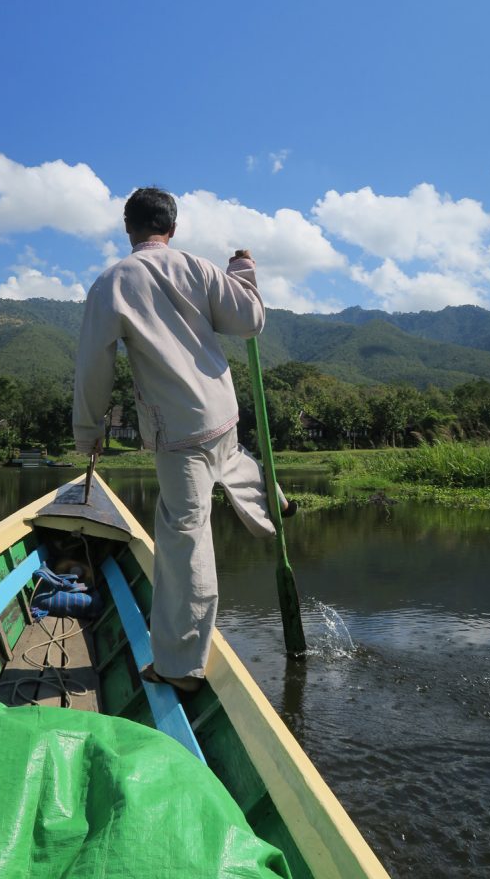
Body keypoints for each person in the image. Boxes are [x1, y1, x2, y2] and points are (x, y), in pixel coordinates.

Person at [73, 187, 293, 693]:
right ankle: (271, 501)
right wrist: (242, 274)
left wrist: (90, 431)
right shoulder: (197, 267)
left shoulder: (112, 283)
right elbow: (250, 319)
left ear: (129, 228)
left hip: (178, 432)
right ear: (171, 228)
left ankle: (180, 667)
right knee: (232, 459)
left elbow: (93, 366)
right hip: (223, 412)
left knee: (184, 539)